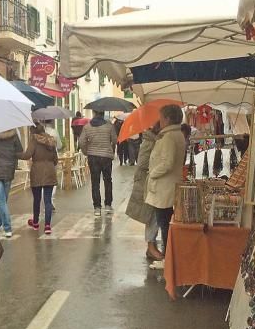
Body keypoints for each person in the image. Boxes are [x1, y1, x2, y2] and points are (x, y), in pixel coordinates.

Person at [146, 105, 186, 254]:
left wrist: (153, 173)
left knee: (164, 224)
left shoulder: (169, 137)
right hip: (168, 186)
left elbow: (167, 163)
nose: (160, 120)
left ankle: (168, 257)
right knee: (166, 223)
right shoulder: (177, 134)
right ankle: (169, 256)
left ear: (168, 119)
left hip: (164, 188)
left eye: (161, 117)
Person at [125, 124, 163, 261]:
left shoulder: (154, 140)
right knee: (151, 214)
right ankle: (151, 247)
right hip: (146, 182)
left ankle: (151, 247)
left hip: (151, 182)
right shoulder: (150, 141)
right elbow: (142, 164)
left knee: (154, 215)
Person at [19, 123, 58, 234]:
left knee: (37, 199)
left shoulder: (34, 140)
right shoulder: (51, 141)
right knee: (47, 200)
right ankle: (47, 226)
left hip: (37, 172)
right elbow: (55, 159)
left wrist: (15, 154)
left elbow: (27, 155)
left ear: (33, 132)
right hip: (50, 171)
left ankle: (35, 222)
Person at [78, 110, 118, 215]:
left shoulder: (87, 127)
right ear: (103, 113)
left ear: (94, 113)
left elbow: (81, 142)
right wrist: (111, 149)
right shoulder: (109, 126)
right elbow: (114, 140)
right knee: (108, 180)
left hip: (93, 157)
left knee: (95, 182)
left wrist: (86, 151)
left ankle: (97, 208)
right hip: (106, 157)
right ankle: (108, 205)